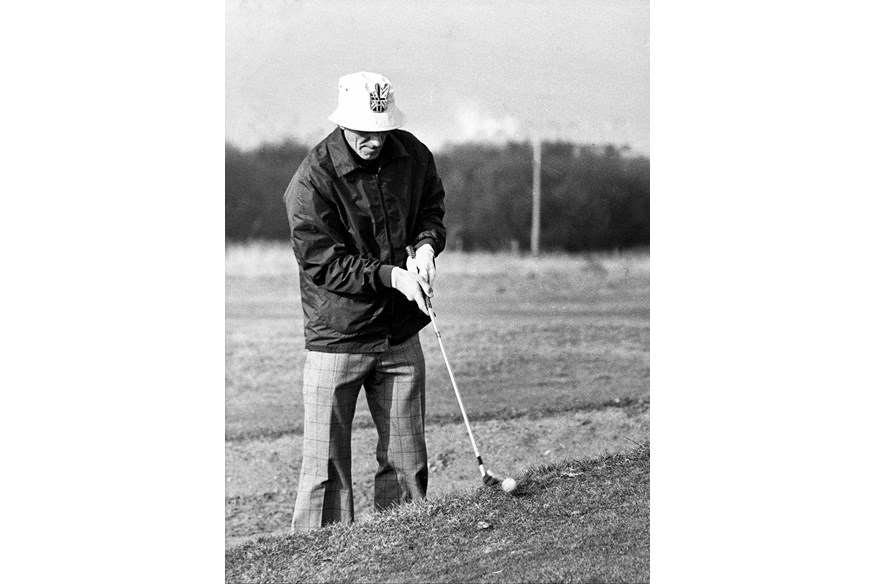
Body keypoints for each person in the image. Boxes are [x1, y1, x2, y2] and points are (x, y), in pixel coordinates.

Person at [283, 71, 446, 532]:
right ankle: (315, 559)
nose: (373, 140)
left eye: (380, 129)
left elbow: (430, 208)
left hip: (400, 333)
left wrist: (427, 246)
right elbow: (325, 263)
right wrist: (392, 276)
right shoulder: (312, 179)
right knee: (325, 466)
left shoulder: (412, 154)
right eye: (362, 131)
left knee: (407, 458)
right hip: (339, 336)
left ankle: (402, 546)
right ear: (342, 123)